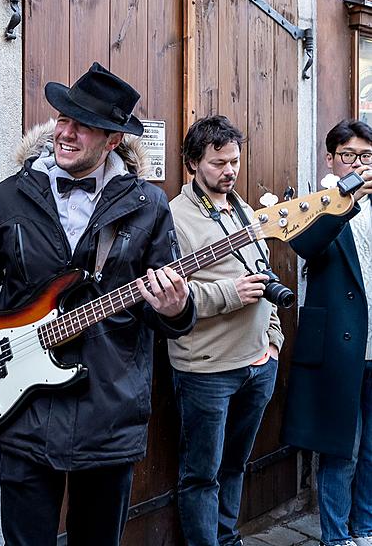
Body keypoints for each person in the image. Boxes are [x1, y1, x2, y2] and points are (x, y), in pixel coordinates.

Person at [0, 62, 196, 546]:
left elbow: (169, 314)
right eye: (62, 118)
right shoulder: (11, 195)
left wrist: (174, 308)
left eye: (84, 125)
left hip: (108, 412)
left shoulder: (148, 206)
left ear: (113, 141)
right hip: (21, 410)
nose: (67, 132)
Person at [167, 115, 284, 546]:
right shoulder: (173, 218)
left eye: (235, 160)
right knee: (202, 475)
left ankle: (228, 539)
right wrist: (231, 294)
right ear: (194, 163)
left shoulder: (246, 210)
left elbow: (263, 274)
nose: (230, 170)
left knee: (234, 466)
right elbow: (171, 299)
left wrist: (273, 342)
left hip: (258, 364)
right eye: (219, 163)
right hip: (206, 372)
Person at [282, 120, 372, 546]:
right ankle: (336, 536)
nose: (359, 164)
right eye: (350, 156)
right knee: (342, 448)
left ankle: (364, 527)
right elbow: (307, 246)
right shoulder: (314, 202)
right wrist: (347, 200)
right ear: (331, 158)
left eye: (367, 157)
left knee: (371, 448)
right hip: (340, 344)